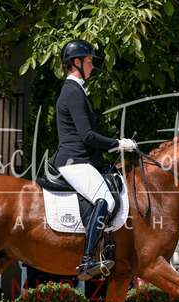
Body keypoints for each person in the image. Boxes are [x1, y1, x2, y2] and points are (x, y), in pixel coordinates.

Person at [48, 39, 137, 281]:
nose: (92, 66)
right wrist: (118, 143)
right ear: (76, 62)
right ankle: (87, 260)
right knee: (105, 199)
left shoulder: (76, 90)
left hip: (81, 159)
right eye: (89, 61)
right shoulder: (73, 92)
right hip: (73, 161)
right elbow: (86, 135)